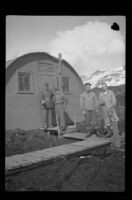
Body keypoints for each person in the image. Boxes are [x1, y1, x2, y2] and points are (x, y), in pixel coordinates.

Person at [98, 82, 121, 148]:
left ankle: (117, 144)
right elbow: (99, 102)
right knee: (108, 127)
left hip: (111, 112)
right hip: (105, 113)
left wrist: (111, 107)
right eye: (102, 87)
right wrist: (101, 102)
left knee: (115, 128)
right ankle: (111, 144)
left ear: (107, 87)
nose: (104, 87)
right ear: (102, 88)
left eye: (105, 86)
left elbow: (114, 102)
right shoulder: (101, 94)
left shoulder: (111, 92)